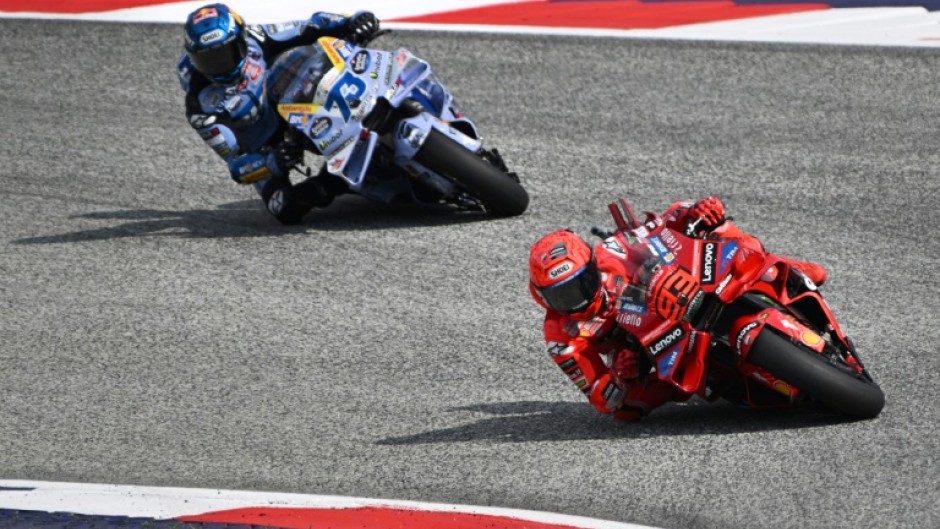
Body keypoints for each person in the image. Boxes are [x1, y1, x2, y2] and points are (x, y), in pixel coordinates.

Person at [527, 196, 829, 421]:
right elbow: (604, 397)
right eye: (562, 296)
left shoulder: (612, 251)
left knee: (717, 229)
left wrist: (697, 213)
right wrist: (622, 375)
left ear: (591, 266)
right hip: (648, 348)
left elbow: (664, 224)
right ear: (542, 298)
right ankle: (721, 374)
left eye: (581, 284)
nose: (576, 300)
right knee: (628, 411)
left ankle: (779, 270)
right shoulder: (561, 337)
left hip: (674, 290)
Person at [177, 3, 381, 224]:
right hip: (264, 146)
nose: (218, 67)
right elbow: (237, 166)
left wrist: (355, 21)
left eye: (223, 55)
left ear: (240, 40)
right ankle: (331, 182)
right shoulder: (201, 108)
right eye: (207, 61)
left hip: (289, 99)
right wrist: (272, 160)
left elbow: (310, 25)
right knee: (285, 208)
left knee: (327, 57)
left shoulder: (256, 38)